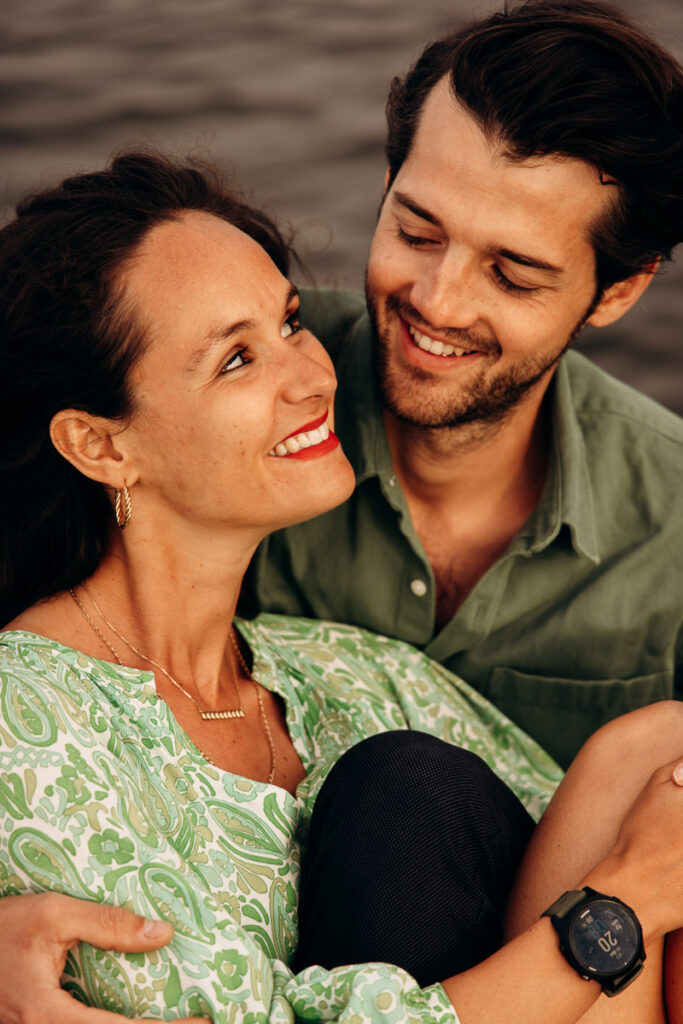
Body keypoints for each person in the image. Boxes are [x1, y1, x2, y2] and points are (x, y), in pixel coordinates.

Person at [0, 150, 682, 1024]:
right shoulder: (36, 723)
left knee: (647, 750)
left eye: (289, 322)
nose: (315, 374)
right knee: (403, 790)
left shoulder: (346, 673)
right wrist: (613, 915)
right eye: (236, 361)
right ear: (100, 446)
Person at [243, 0, 683, 771]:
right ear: (386, 184)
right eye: (416, 232)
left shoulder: (672, 525)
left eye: (510, 276)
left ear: (617, 291)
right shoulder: (229, 375)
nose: (437, 302)